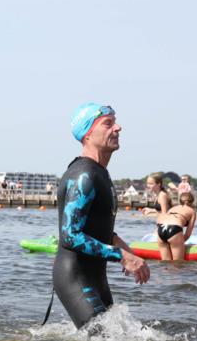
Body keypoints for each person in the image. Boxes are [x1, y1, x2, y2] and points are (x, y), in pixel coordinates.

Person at [52, 103, 149, 329]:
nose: (118, 128)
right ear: (87, 134)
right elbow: (70, 236)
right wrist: (121, 256)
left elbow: (94, 225)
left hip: (96, 277)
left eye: (115, 122)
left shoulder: (99, 173)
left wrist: (122, 245)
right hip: (74, 277)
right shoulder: (83, 175)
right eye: (108, 124)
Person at [156, 192, 197, 261]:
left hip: (161, 229)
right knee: (178, 264)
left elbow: (160, 220)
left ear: (180, 201)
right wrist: (179, 243)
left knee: (165, 263)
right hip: (174, 229)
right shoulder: (192, 211)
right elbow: (187, 234)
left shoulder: (172, 209)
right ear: (192, 201)